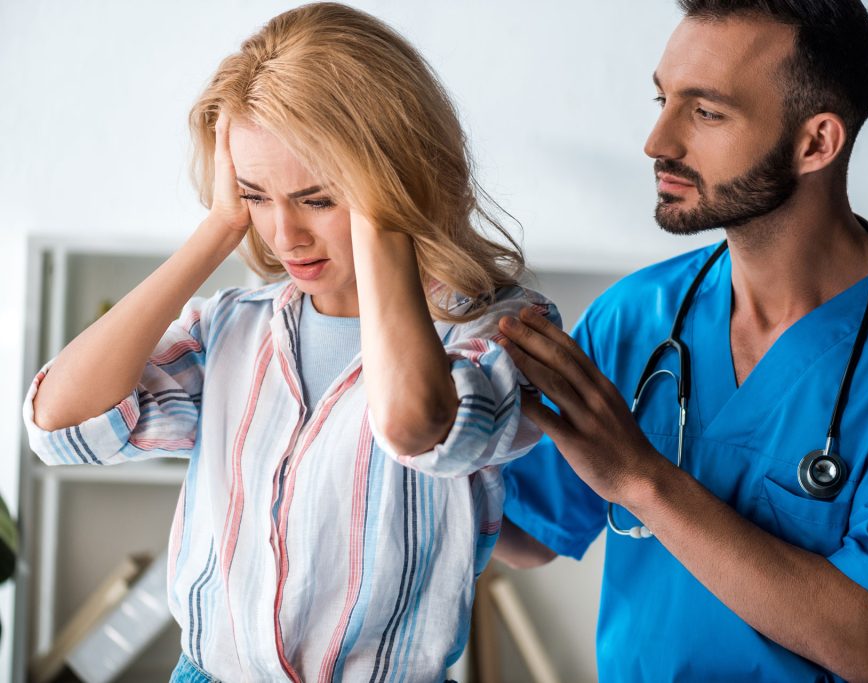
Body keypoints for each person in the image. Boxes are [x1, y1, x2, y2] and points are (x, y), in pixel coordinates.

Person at [22, 3, 559, 681]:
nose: (285, 236)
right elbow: (62, 427)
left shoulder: (499, 329)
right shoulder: (232, 326)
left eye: (319, 198)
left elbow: (419, 425)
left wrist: (387, 217)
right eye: (255, 195)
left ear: (398, 181)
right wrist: (219, 227)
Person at [494, 1, 868, 681]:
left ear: (816, 143)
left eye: (706, 112)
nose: (657, 141)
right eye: (662, 100)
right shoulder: (637, 316)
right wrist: (429, 428)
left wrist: (640, 478)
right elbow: (530, 533)